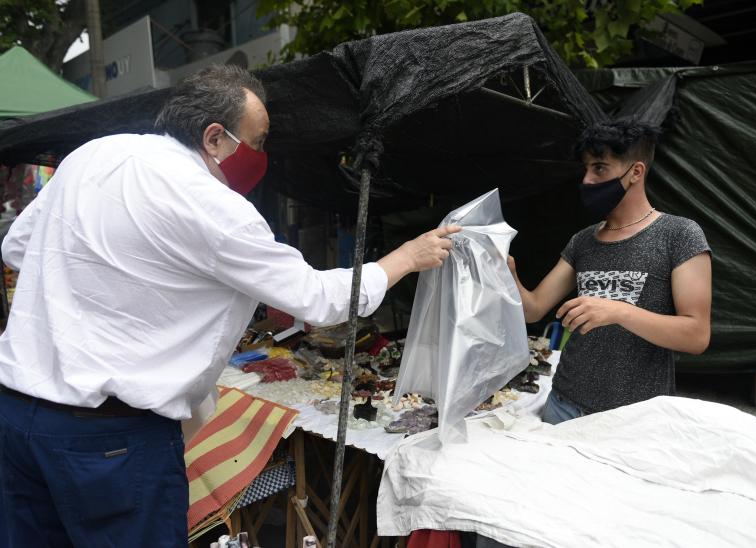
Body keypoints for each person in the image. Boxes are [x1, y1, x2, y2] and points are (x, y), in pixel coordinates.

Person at [0, 65, 459, 546]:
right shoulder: (210, 204)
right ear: (215, 136)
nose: (261, 156)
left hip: (17, 417)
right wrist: (407, 257)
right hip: (109, 442)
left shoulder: (95, 154)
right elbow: (317, 299)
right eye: (258, 142)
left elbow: (16, 248)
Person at [508, 117, 712, 425]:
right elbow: (533, 309)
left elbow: (696, 335)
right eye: (587, 168)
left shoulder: (679, 235)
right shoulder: (583, 240)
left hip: (634, 417)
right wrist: (507, 272)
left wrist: (618, 311)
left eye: (600, 167)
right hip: (563, 404)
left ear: (636, 172)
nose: (587, 179)